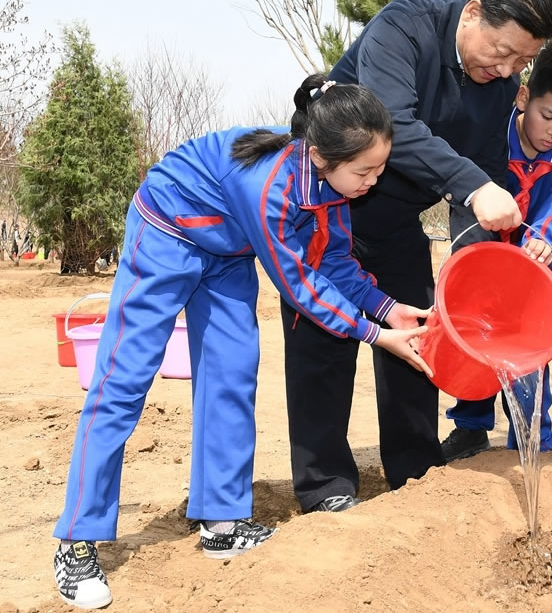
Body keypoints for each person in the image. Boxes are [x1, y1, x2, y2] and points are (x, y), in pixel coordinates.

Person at [52, 75, 432, 610]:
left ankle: (223, 521)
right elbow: (300, 287)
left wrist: (391, 308)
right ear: (321, 155)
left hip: (227, 253)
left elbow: (337, 263)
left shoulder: (336, 184)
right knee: (124, 377)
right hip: (167, 229)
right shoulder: (270, 185)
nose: (373, 181)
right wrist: (377, 335)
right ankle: (76, 540)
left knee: (232, 374)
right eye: (365, 170)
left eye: (379, 168)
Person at [281, 0, 552, 513]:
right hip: (322, 217)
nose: (506, 69)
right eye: (502, 51)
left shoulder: (499, 86)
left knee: (418, 337)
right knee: (324, 343)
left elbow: (484, 162)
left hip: (393, 225)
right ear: (475, 12)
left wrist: (492, 241)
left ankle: (413, 473)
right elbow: (397, 126)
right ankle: (326, 487)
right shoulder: (403, 28)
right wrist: (475, 187)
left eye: (521, 62)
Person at [441, 44, 552, 461]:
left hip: (534, 262)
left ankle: (532, 435)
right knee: (474, 330)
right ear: (524, 98)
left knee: (528, 343)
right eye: (547, 117)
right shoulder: (490, 132)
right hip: (482, 252)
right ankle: (470, 426)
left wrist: (546, 235)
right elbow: (465, 190)